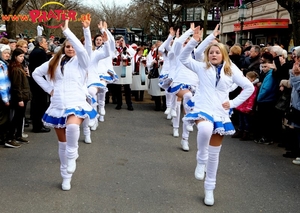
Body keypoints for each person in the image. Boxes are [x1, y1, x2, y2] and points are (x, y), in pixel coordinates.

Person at [179, 25, 254, 206]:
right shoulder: (201, 67)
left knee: (215, 154)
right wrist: (194, 41)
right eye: (211, 52)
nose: (213, 55)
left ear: (223, 55)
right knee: (204, 128)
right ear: (207, 54)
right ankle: (200, 158)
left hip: (220, 113)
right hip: (203, 107)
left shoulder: (231, 70)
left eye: (217, 52)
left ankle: (209, 189)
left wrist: (233, 103)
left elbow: (249, 87)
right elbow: (183, 58)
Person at [32, 19, 98, 191]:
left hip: (76, 101)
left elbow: (85, 49)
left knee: (73, 128)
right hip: (58, 104)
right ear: (63, 47)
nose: (70, 48)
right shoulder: (54, 61)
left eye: (72, 46)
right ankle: (65, 176)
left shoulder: (82, 61)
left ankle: (73, 153)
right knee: (62, 143)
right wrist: (49, 89)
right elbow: (36, 73)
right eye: (67, 46)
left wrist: (76, 31)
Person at [7, 48, 31, 144]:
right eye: (20, 56)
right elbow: (16, 86)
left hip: (23, 95)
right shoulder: (16, 69)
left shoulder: (19, 67)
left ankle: (18, 135)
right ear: (15, 57)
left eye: (22, 56)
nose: (22, 58)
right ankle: (11, 137)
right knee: (16, 117)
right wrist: (20, 98)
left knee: (20, 117)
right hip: (19, 97)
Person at [29, 36, 51, 133]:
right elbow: (45, 67)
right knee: (40, 104)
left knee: (37, 103)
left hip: (34, 81)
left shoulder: (35, 51)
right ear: (40, 43)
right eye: (45, 42)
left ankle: (37, 124)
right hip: (39, 82)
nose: (47, 44)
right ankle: (38, 126)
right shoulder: (40, 53)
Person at [0, 44, 14, 147]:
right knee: (3, 119)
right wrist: (6, 99)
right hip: (2, 97)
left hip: (5, 95)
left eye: (8, 53)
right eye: (5, 53)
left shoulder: (5, 64)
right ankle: (2, 139)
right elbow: (2, 84)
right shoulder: (1, 65)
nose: (7, 55)